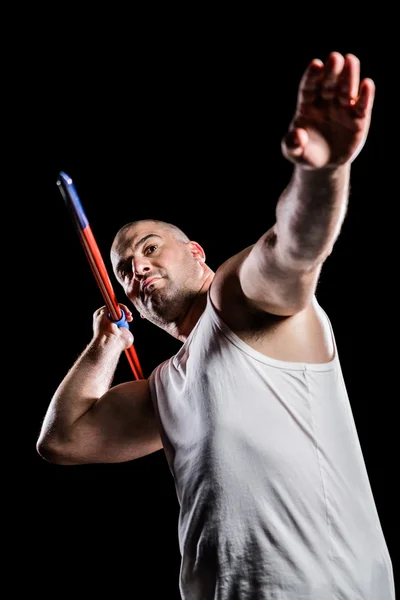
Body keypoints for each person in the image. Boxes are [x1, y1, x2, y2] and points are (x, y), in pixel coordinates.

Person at [37, 51, 395, 599]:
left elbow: (293, 251)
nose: (138, 268)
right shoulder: (165, 387)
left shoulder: (238, 305)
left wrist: (322, 172)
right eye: (126, 271)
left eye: (150, 248)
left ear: (197, 254)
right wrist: (105, 342)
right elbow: (62, 440)